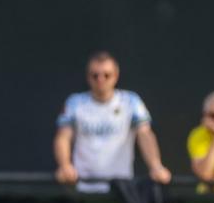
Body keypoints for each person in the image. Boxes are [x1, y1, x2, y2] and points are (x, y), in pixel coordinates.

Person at [53, 51, 171, 193]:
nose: (100, 79)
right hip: (84, 186)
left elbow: (145, 134)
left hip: (122, 189)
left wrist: (156, 166)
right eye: (95, 75)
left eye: (106, 75)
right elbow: (63, 137)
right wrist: (64, 165)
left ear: (116, 76)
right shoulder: (75, 102)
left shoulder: (131, 101)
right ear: (88, 77)